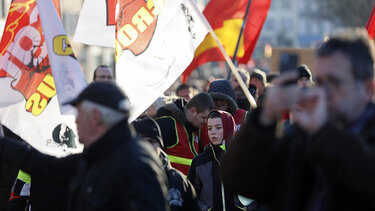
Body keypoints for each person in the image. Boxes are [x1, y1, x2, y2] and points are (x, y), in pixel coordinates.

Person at [222, 28, 375, 211]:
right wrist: (264, 119)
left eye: (335, 82)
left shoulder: (320, 133)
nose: (324, 93)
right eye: (320, 83)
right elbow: (239, 181)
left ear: (368, 88)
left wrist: (323, 133)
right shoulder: (303, 136)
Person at [0, 82, 169, 210]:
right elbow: (48, 166)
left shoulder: (134, 163)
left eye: (79, 113)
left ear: (96, 116)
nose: (75, 120)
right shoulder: (99, 155)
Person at [133, 117, 200, 211]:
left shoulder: (178, 181)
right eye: (142, 142)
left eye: (151, 141)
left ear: (160, 145)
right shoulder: (122, 181)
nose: (147, 147)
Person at [188, 110, 245, 211]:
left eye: (218, 127)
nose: (212, 132)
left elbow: (256, 192)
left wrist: (243, 208)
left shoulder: (242, 159)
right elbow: (191, 196)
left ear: (229, 128)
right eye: (209, 128)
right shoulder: (199, 162)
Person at [156, 92, 214, 175]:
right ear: (193, 111)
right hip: (170, 185)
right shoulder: (168, 124)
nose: (206, 122)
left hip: (186, 186)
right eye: (203, 117)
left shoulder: (194, 128)